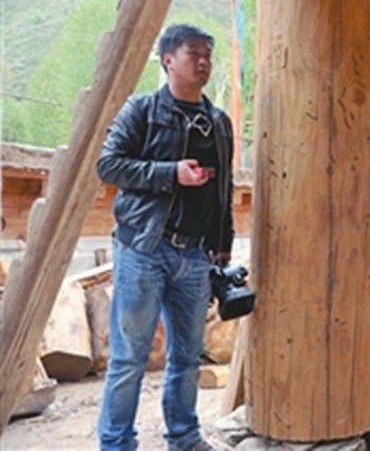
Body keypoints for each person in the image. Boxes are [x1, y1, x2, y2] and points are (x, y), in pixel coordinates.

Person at [96, 23, 234, 451]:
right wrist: (169, 173)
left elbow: (224, 189)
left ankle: (185, 438)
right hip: (143, 248)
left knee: (188, 358)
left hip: (195, 256)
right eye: (194, 53)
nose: (204, 61)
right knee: (129, 358)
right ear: (168, 60)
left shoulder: (219, 121)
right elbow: (109, 165)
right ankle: (117, 444)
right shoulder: (141, 110)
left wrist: (222, 245)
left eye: (208, 54)